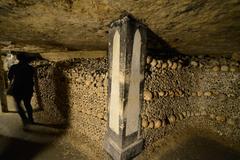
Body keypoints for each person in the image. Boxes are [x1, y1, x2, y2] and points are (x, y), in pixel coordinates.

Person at [8, 53, 35, 125]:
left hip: (17, 88)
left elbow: (10, 77)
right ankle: (31, 119)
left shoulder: (13, 67)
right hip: (28, 88)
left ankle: (24, 119)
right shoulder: (31, 68)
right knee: (27, 104)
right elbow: (33, 77)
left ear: (18, 59)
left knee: (18, 104)